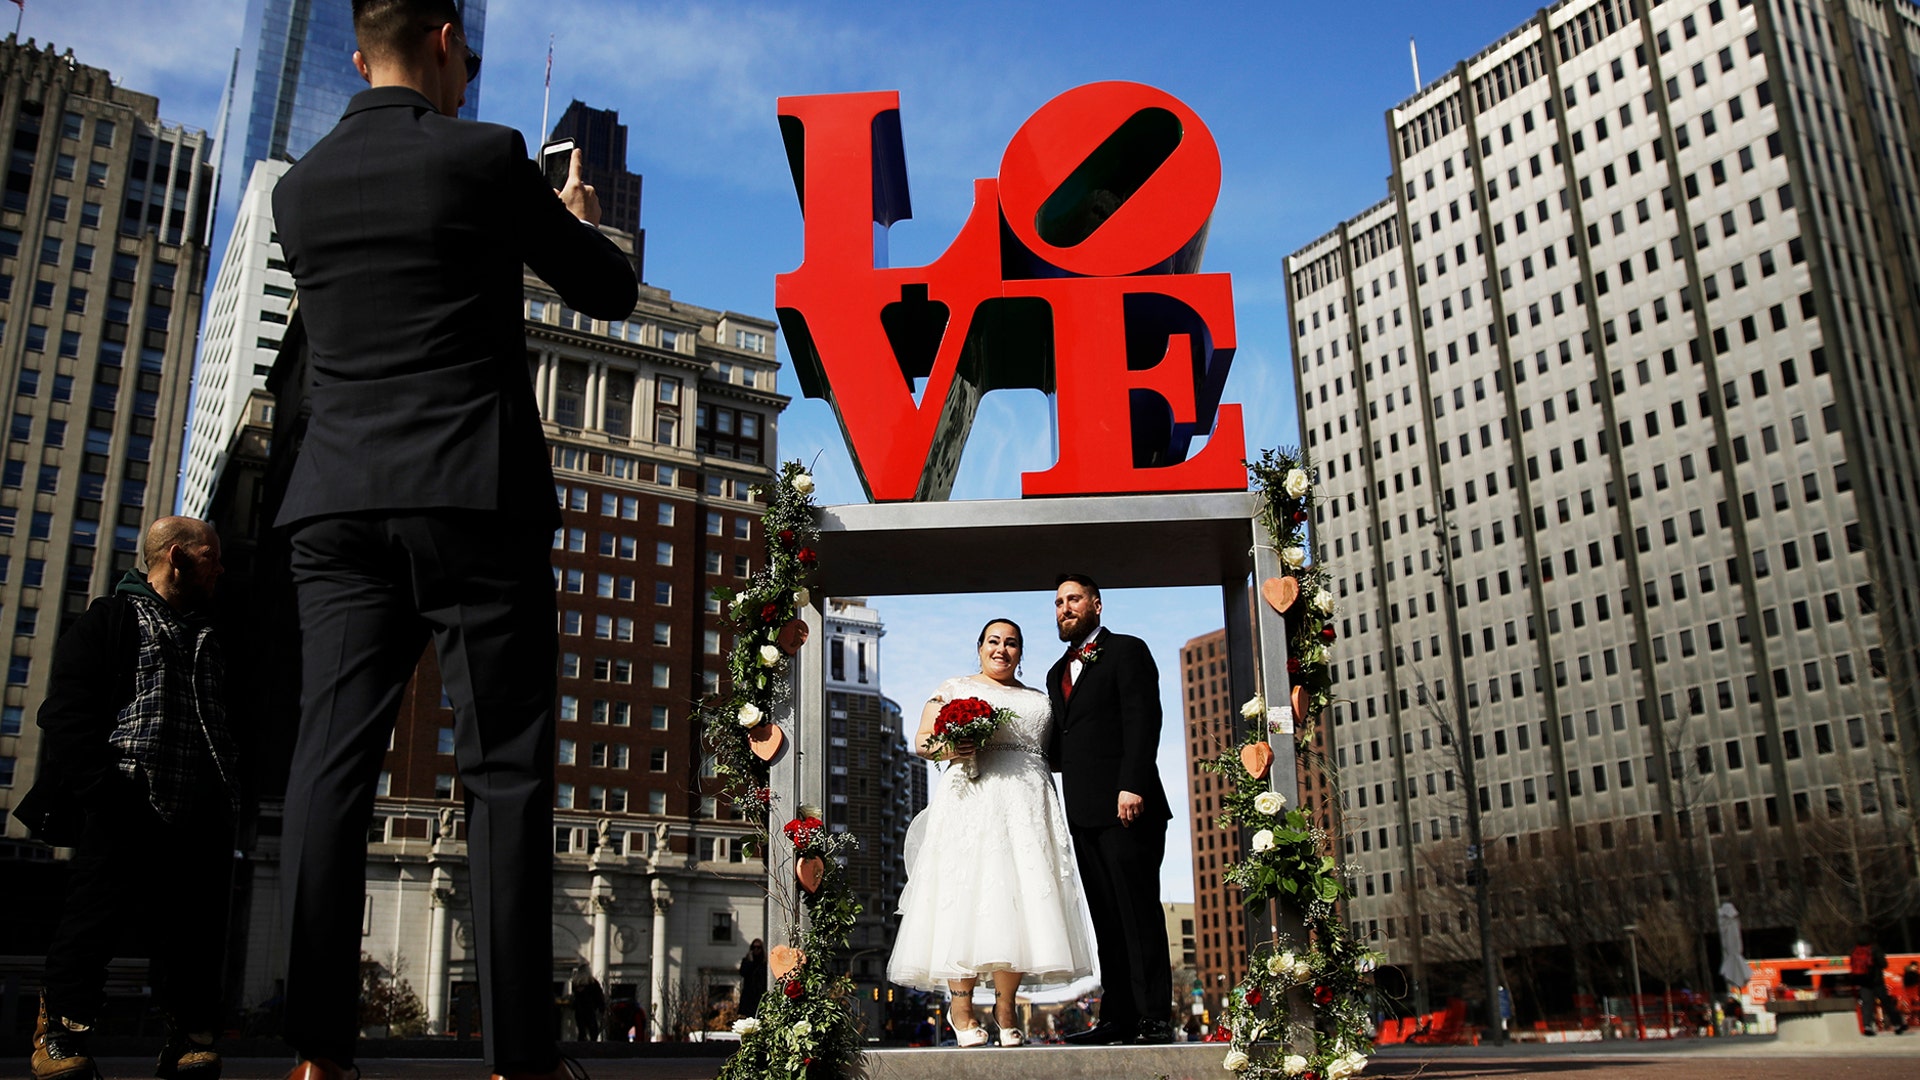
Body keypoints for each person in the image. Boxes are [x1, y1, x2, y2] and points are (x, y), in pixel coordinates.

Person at [268, 3, 637, 1080]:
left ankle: (314, 1052)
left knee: (327, 768)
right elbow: (605, 290)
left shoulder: (300, 187)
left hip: (332, 505)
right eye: (467, 53)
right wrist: (576, 213)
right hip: (471, 494)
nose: (471, 72)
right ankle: (521, 1057)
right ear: (440, 37)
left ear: (354, 53)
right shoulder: (485, 156)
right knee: (507, 770)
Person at [18, 518, 238, 1080]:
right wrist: (102, 789)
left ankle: (188, 1038)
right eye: (211, 556)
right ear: (176, 557)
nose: (220, 567)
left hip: (199, 810)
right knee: (93, 921)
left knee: (193, 931)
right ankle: (59, 1035)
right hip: (125, 800)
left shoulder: (214, 631)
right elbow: (65, 713)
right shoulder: (111, 619)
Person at [889, 618, 1096, 1048]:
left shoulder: (1039, 698)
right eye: (994, 642)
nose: (1002, 649)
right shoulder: (953, 687)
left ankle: (1006, 1006)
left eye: (1012, 643)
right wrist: (954, 746)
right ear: (979, 646)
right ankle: (961, 1008)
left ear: (1021, 652)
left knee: (1020, 904)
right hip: (973, 802)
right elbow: (923, 742)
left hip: (1028, 804)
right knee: (966, 900)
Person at [1045, 574, 1174, 1045]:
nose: (1064, 608)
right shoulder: (1055, 672)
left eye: (1073, 599)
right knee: (1106, 918)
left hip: (1129, 808)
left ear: (1097, 605)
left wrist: (1132, 785)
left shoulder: (1127, 650)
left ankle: (1154, 1017)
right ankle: (1117, 1016)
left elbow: (1145, 718)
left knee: (1138, 913)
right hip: (1083, 815)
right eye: (1058, 602)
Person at [1854, 937, 1908, 1035]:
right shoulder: (1875, 949)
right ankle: (1897, 1024)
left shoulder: (1856, 950)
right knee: (1886, 1003)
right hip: (1877, 981)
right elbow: (1884, 964)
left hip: (1863, 982)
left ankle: (1867, 1026)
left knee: (1867, 1004)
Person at [568, 968, 605, 1042]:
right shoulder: (593, 983)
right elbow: (599, 996)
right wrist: (601, 1008)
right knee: (593, 1031)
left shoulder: (576, 983)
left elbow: (574, 997)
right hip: (590, 1009)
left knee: (582, 1031)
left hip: (580, 1010)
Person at [738, 939, 767, 1017]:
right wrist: (750, 962)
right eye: (754, 947)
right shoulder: (747, 961)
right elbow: (743, 973)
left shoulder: (764, 963)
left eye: (758, 947)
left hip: (760, 994)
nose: (756, 950)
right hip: (749, 995)